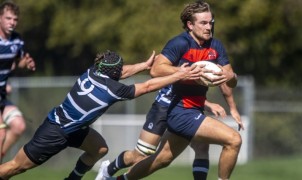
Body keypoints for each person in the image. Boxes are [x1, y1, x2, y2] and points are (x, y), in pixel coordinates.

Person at [0, 49, 203, 180]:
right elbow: (148, 85)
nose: (122, 70)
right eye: (119, 69)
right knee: (15, 167)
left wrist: (143, 65)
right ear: (112, 73)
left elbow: (120, 72)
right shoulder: (114, 90)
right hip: (55, 132)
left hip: (73, 127)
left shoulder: (92, 71)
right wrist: (179, 74)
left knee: (99, 149)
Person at [110, 1, 244, 180]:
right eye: (203, 23)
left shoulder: (216, 46)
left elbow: (228, 80)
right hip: (178, 110)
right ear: (190, 24)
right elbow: (156, 70)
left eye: (210, 22)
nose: (208, 27)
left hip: (193, 110)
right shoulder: (180, 43)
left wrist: (232, 85)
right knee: (234, 140)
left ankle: (120, 179)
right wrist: (185, 72)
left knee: (162, 159)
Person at [95, 84, 233, 180]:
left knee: (199, 147)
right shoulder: (181, 51)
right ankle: (108, 169)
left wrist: (230, 76)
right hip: (164, 108)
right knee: (140, 154)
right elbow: (162, 74)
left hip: (186, 112)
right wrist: (208, 105)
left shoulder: (207, 54)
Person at [0, 0, 36, 163]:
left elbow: (16, 63)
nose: (12, 23)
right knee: (0, 134)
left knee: (19, 125)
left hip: (1, 97)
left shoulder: (16, 40)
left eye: (15, 19)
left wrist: (26, 63)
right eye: (8, 18)